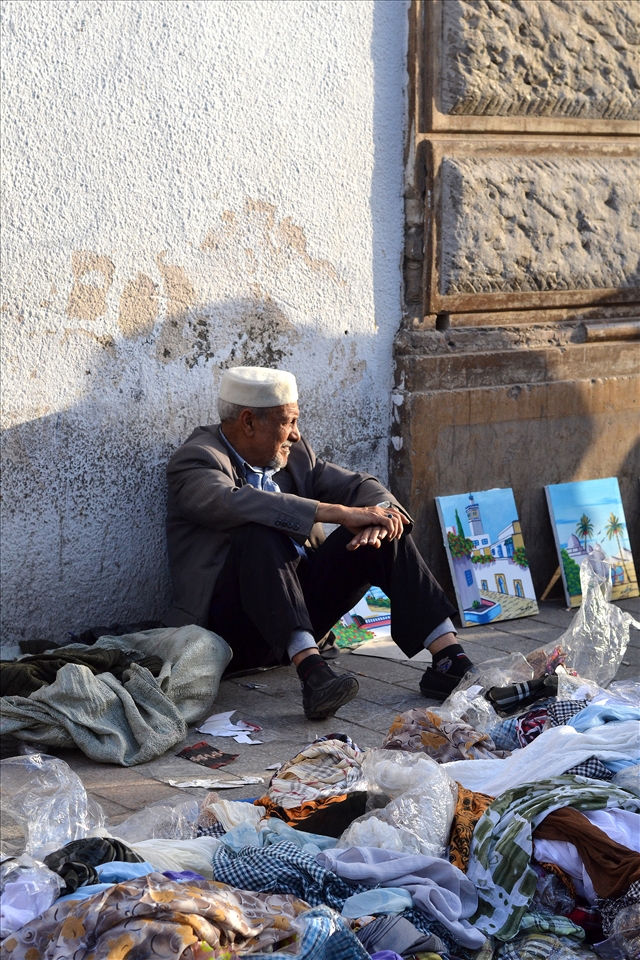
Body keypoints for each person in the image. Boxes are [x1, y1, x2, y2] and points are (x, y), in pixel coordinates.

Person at [164, 366, 473, 719]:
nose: (295, 434)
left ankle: (450, 660)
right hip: (234, 631)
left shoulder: (294, 455)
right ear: (248, 422)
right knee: (259, 528)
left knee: (382, 529)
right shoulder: (196, 459)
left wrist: (380, 516)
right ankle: (313, 675)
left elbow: (360, 485)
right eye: (289, 421)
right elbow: (234, 502)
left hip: (301, 613)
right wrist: (341, 514)